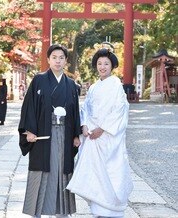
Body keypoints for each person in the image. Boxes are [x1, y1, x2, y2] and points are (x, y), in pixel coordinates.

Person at [67, 48, 133, 218]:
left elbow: (120, 110)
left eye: (106, 63)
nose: (102, 67)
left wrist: (103, 128)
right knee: (94, 174)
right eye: (99, 64)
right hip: (93, 137)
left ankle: (111, 209)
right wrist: (84, 126)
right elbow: (86, 109)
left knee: (110, 171)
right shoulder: (94, 87)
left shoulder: (116, 85)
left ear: (112, 66)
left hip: (108, 136)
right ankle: (98, 209)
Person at [18, 44, 81, 218]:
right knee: (42, 169)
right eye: (54, 57)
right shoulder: (38, 80)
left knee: (62, 169)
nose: (58, 61)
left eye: (61, 57)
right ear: (48, 59)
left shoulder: (72, 85)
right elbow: (29, 107)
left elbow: (75, 111)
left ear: (66, 60)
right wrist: (28, 131)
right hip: (43, 135)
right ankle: (36, 211)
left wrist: (76, 134)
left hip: (65, 135)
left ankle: (62, 212)